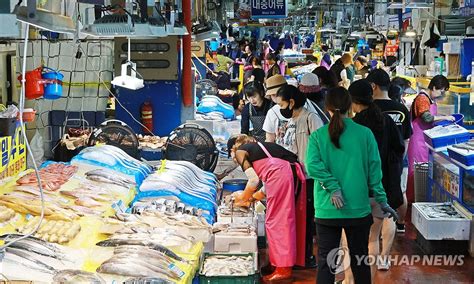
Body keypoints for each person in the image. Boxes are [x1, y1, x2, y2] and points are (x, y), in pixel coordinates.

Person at [305, 87, 397, 284]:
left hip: (327, 209)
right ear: (351, 107)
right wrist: (382, 200)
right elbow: (375, 172)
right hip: (358, 209)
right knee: (360, 261)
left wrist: (332, 187)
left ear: (327, 108)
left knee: (326, 263)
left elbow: (312, 166)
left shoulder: (318, 136)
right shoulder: (365, 134)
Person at [229, 134, 307, 282]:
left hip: (282, 175)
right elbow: (268, 183)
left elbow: (254, 180)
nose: (237, 161)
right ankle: (277, 263)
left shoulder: (240, 153)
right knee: (278, 220)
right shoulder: (261, 151)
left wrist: (243, 197)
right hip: (288, 174)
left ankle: (283, 270)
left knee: (277, 222)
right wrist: (253, 198)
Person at [349, 80, 404, 278]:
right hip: (381, 189)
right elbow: (399, 150)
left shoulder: (353, 126)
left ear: (353, 102)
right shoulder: (386, 121)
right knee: (373, 239)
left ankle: (351, 280)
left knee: (352, 243)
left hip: (357, 192)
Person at [366, 69, 411, 269]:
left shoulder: (368, 109)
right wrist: (399, 162)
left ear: (373, 86)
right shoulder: (401, 109)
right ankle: (384, 257)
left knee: (376, 214)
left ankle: (371, 256)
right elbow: (406, 140)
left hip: (372, 169)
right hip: (396, 166)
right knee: (391, 208)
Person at [276, 85, 324, 269]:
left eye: (282, 104)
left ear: (292, 102)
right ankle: (294, 255)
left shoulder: (310, 118)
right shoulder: (289, 121)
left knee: (307, 217)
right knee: (293, 217)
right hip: (291, 176)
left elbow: (321, 146)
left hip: (308, 177)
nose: (280, 108)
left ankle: (307, 256)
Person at [407, 75, 453, 203]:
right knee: (415, 176)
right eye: (441, 91)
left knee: (423, 176)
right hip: (418, 143)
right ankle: (411, 210)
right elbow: (426, 118)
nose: (441, 95)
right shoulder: (422, 99)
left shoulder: (429, 100)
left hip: (425, 142)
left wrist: (442, 117)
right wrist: (445, 118)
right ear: (433, 87)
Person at [389, 76, 418, 233]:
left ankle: (384, 224)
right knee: (401, 192)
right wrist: (402, 156)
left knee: (384, 191)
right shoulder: (403, 110)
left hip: (382, 156)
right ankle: (400, 223)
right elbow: (407, 137)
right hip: (401, 157)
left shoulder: (377, 108)